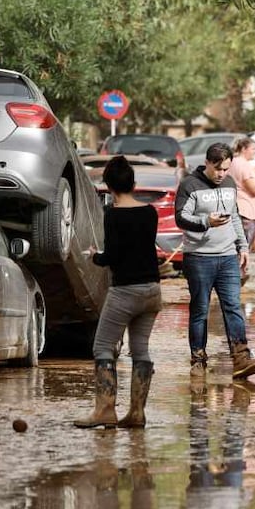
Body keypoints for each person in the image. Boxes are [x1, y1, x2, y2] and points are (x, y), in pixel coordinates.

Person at [75, 155, 162, 429]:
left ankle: (105, 410)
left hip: (125, 291)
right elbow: (139, 248)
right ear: (133, 184)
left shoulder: (113, 215)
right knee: (140, 350)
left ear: (109, 186)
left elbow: (112, 256)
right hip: (153, 291)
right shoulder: (150, 213)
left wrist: (94, 257)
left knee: (102, 347)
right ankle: (137, 413)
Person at [175, 143, 255, 381]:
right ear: (207, 162)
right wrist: (206, 221)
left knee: (233, 306)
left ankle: (241, 357)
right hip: (199, 259)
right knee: (200, 311)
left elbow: (234, 215)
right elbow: (181, 217)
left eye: (225, 169)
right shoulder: (189, 185)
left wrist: (243, 246)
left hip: (227, 258)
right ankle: (198, 358)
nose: (221, 174)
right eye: (218, 169)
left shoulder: (228, 184)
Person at [225, 137, 255, 284]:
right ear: (244, 149)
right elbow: (254, 189)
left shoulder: (234, 162)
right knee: (243, 248)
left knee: (238, 247)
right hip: (246, 210)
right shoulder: (242, 165)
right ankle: (237, 278)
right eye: (253, 149)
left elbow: (243, 182)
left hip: (239, 208)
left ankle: (236, 277)